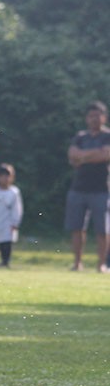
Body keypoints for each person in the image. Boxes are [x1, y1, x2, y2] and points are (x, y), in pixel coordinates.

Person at [65, 100, 110, 272]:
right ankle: (77, 263)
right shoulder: (80, 136)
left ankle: (102, 264)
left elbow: (106, 155)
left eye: (97, 115)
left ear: (104, 117)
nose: (94, 119)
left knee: (102, 229)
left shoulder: (107, 136)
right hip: (78, 188)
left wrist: (82, 157)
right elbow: (72, 156)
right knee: (76, 228)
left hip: (102, 189)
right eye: (91, 116)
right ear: (86, 118)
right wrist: (94, 154)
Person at [0, 164, 23, 268]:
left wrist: (16, 222)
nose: (5, 178)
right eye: (2, 176)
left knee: (7, 242)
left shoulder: (14, 192)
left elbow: (17, 208)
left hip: (9, 220)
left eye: (7, 176)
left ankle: (6, 261)